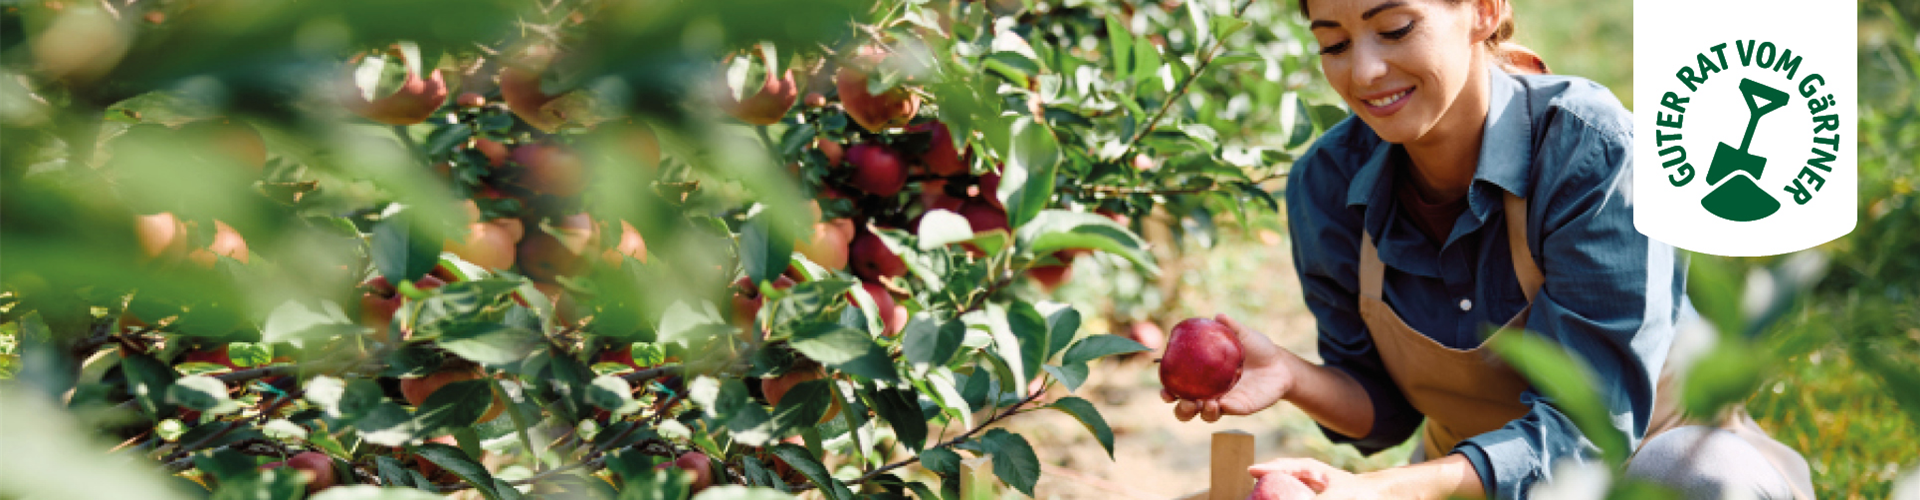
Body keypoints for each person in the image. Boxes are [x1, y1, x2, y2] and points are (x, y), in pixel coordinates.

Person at [1158, 0, 1816, 498]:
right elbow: (1386, 411)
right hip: (1469, 484)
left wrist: (1383, 490)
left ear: (1484, 10)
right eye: (1333, 42)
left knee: (1696, 476)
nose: (1362, 72)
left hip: (1636, 476)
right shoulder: (1327, 185)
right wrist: (1293, 377)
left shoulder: (1592, 153)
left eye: (1394, 29)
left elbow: (1590, 430)